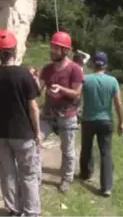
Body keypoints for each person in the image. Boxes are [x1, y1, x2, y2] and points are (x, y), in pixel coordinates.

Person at [0, 29, 41, 217]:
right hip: (23, 133)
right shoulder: (24, 75)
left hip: (0, 133)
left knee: (7, 173)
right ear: (14, 50)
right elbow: (33, 107)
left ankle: (14, 209)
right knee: (28, 174)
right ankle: (31, 212)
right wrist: (37, 131)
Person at [39, 31, 84, 193]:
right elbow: (38, 88)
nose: (52, 50)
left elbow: (77, 93)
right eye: (52, 47)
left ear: (65, 51)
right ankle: (35, 174)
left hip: (67, 114)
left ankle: (66, 178)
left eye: (56, 48)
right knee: (35, 140)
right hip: (48, 113)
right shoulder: (47, 69)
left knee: (68, 150)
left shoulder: (75, 69)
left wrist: (61, 90)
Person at [79, 52, 123, 197]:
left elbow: (76, 96)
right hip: (106, 121)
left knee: (86, 147)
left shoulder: (85, 79)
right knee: (105, 152)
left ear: (94, 64)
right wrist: (121, 122)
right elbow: (118, 103)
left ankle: (86, 174)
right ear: (106, 65)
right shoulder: (112, 81)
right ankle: (106, 187)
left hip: (88, 120)